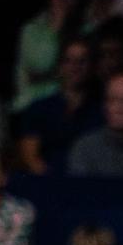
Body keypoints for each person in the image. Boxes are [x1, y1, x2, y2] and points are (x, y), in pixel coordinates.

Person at [14, 37, 104, 175]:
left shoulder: (102, 111)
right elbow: (29, 156)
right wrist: (54, 184)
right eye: (68, 61)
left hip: (91, 184)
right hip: (46, 184)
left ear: (92, 66)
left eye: (81, 61)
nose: (75, 67)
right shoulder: (38, 109)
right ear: (60, 66)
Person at [13, 0, 80, 110]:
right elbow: (42, 64)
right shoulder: (32, 30)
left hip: (70, 105)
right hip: (31, 102)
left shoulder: (84, 30)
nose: (63, 0)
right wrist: (56, 29)